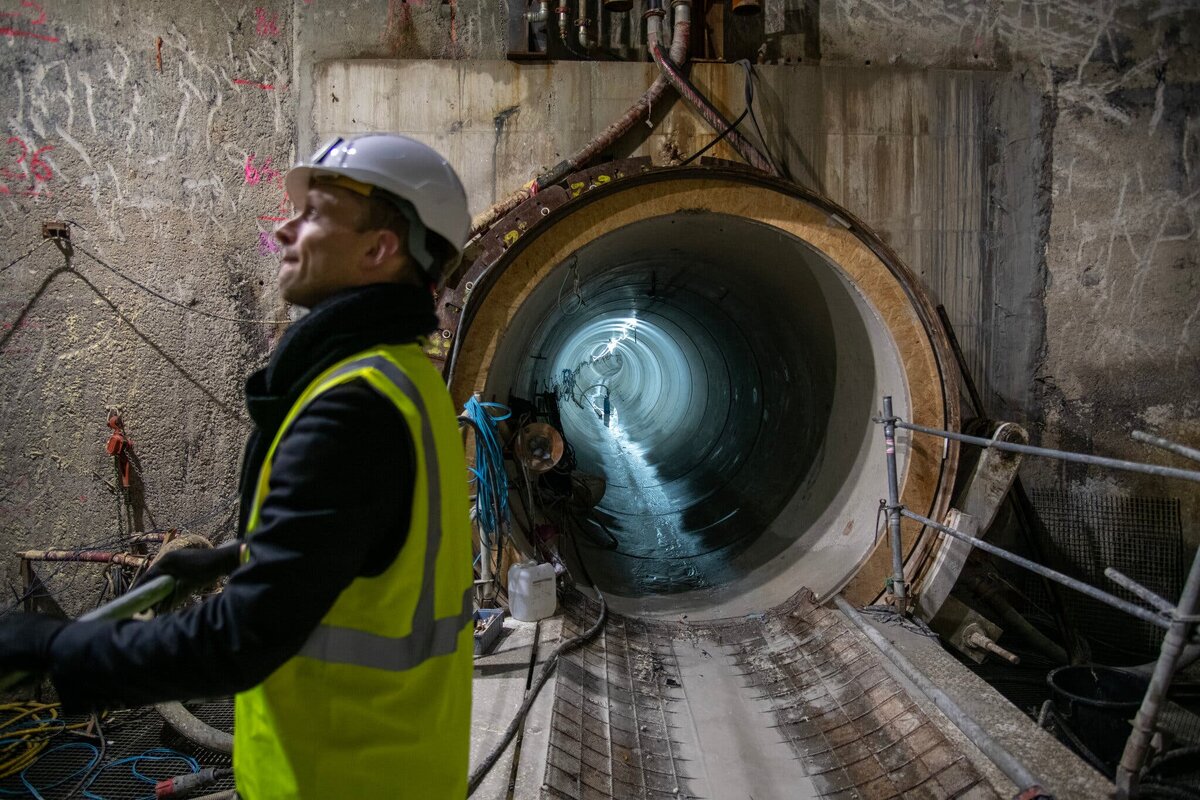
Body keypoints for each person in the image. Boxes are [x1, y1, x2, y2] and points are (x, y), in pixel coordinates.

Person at [0, 134, 476, 798]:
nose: (284, 226)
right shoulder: (407, 381)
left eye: (313, 213)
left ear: (377, 249)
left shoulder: (351, 407)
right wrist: (236, 557)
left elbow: (242, 637)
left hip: (332, 778)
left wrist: (55, 651)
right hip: (395, 767)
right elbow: (366, 550)